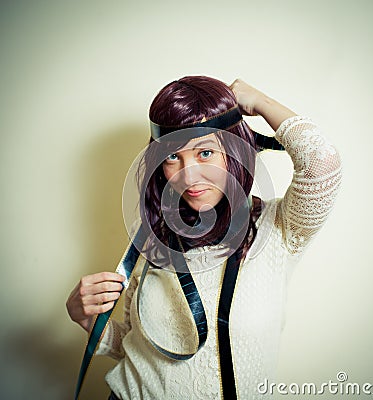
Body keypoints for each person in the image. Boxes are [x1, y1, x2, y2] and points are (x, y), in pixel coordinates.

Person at [66, 76, 342, 399]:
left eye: (205, 152)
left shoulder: (279, 228)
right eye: (172, 157)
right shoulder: (150, 238)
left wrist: (260, 102)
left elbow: (322, 163)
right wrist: (89, 323)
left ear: (234, 151)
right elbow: (136, 345)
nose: (188, 174)